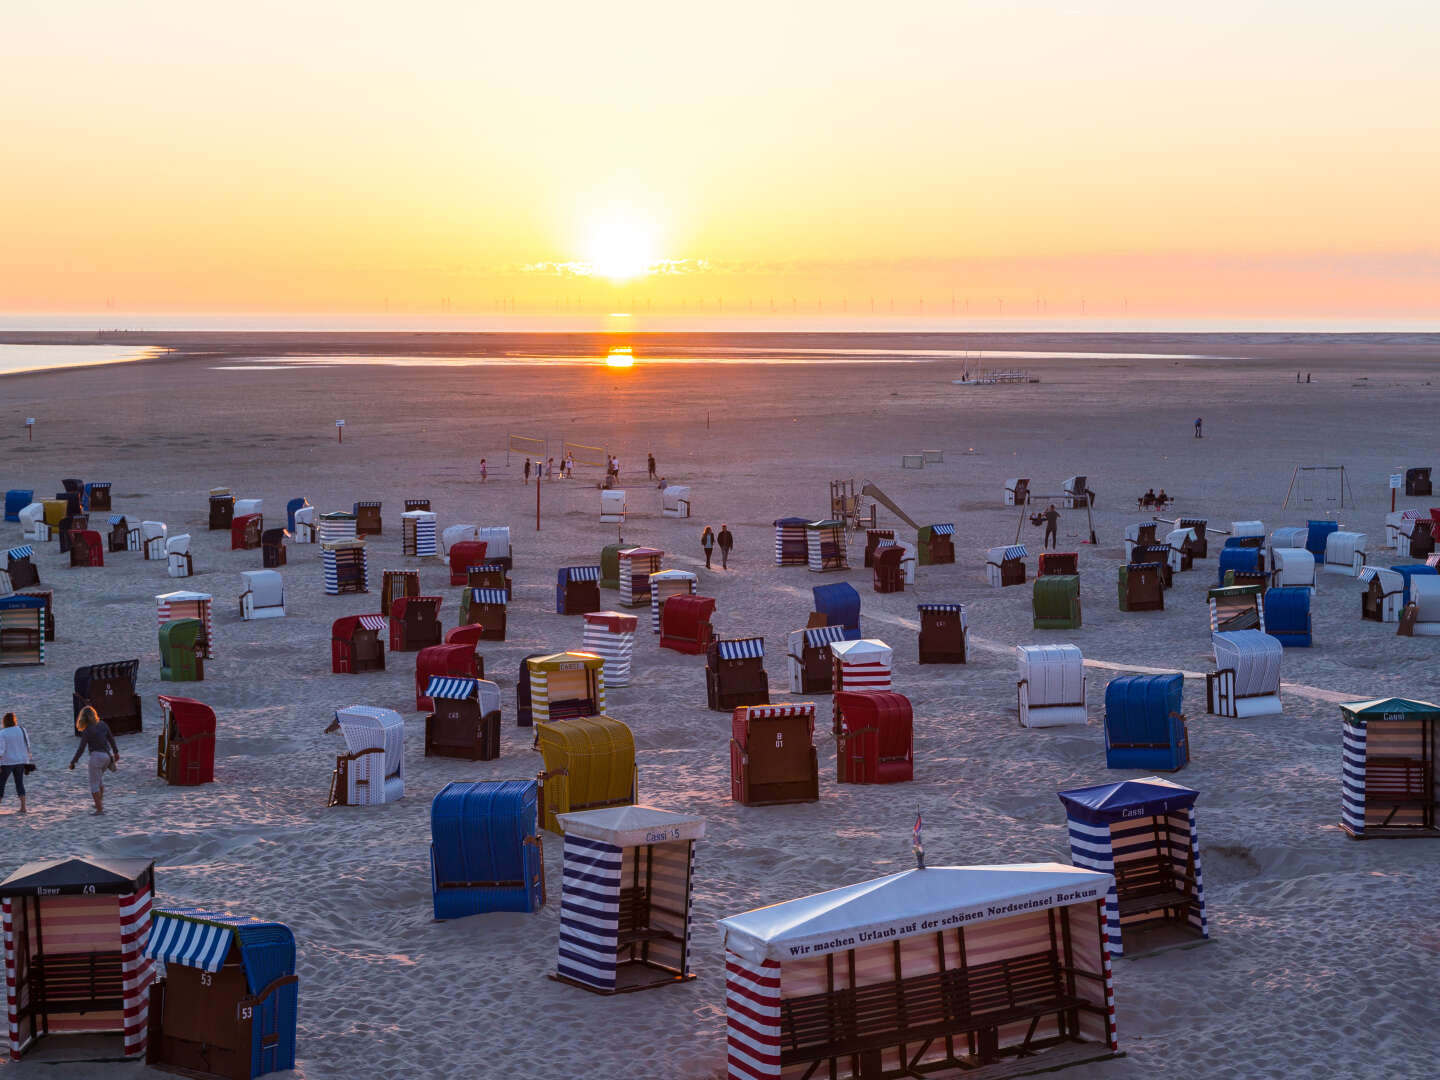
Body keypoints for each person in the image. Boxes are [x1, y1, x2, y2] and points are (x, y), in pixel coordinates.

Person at [69, 706, 119, 815]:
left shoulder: (87, 730)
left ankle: (99, 809)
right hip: (106, 757)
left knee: (94, 785)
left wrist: (73, 761)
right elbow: (111, 738)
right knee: (99, 781)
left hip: (96, 757)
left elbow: (81, 748)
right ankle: (98, 803)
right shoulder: (103, 724)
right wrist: (116, 752)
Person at [0, 712, 32, 815]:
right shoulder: (22, 729)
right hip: (21, 760)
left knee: (1, 784)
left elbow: (1, 750)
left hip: (7, 762)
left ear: (4, 721)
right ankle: (23, 807)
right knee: (19, 782)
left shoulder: (3, 733)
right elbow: (28, 744)